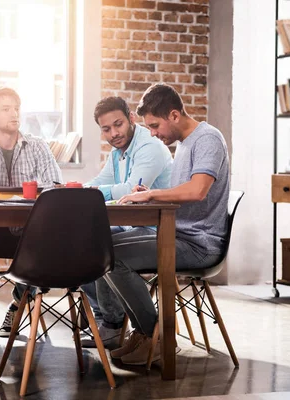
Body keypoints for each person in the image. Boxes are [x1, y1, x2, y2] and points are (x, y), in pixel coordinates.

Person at [103, 83, 230, 365]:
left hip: (199, 244)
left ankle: (155, 335)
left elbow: (198, 190)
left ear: (174, 115)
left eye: (155, 125)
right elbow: (180, 198)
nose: (153, 133)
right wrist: (146, 199)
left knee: (113, 258)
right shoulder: (184, 144)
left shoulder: (207, 139)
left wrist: (151, 193)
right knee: (102, 247)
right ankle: (144, 333)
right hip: (179, 236)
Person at [0, 87, 62, 343]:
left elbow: (55, 186)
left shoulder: (37, 146)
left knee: (47, 238)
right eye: (5, 109)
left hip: (27, 231)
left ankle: (17, 306)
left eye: (16, 108)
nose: (14, 113)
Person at [80, 96, 173, 349]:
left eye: (118, 124)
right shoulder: (117, 153)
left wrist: (93, 192)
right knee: (80, 244)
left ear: (131, 118)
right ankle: (109, 321)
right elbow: (101, 182)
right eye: (106, 129)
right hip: (134, 227)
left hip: (160, 231)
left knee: (103, 245)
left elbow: (130, 189)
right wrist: (77, 190)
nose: (114, 133)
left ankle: (141, 331)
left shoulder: (149, 146)